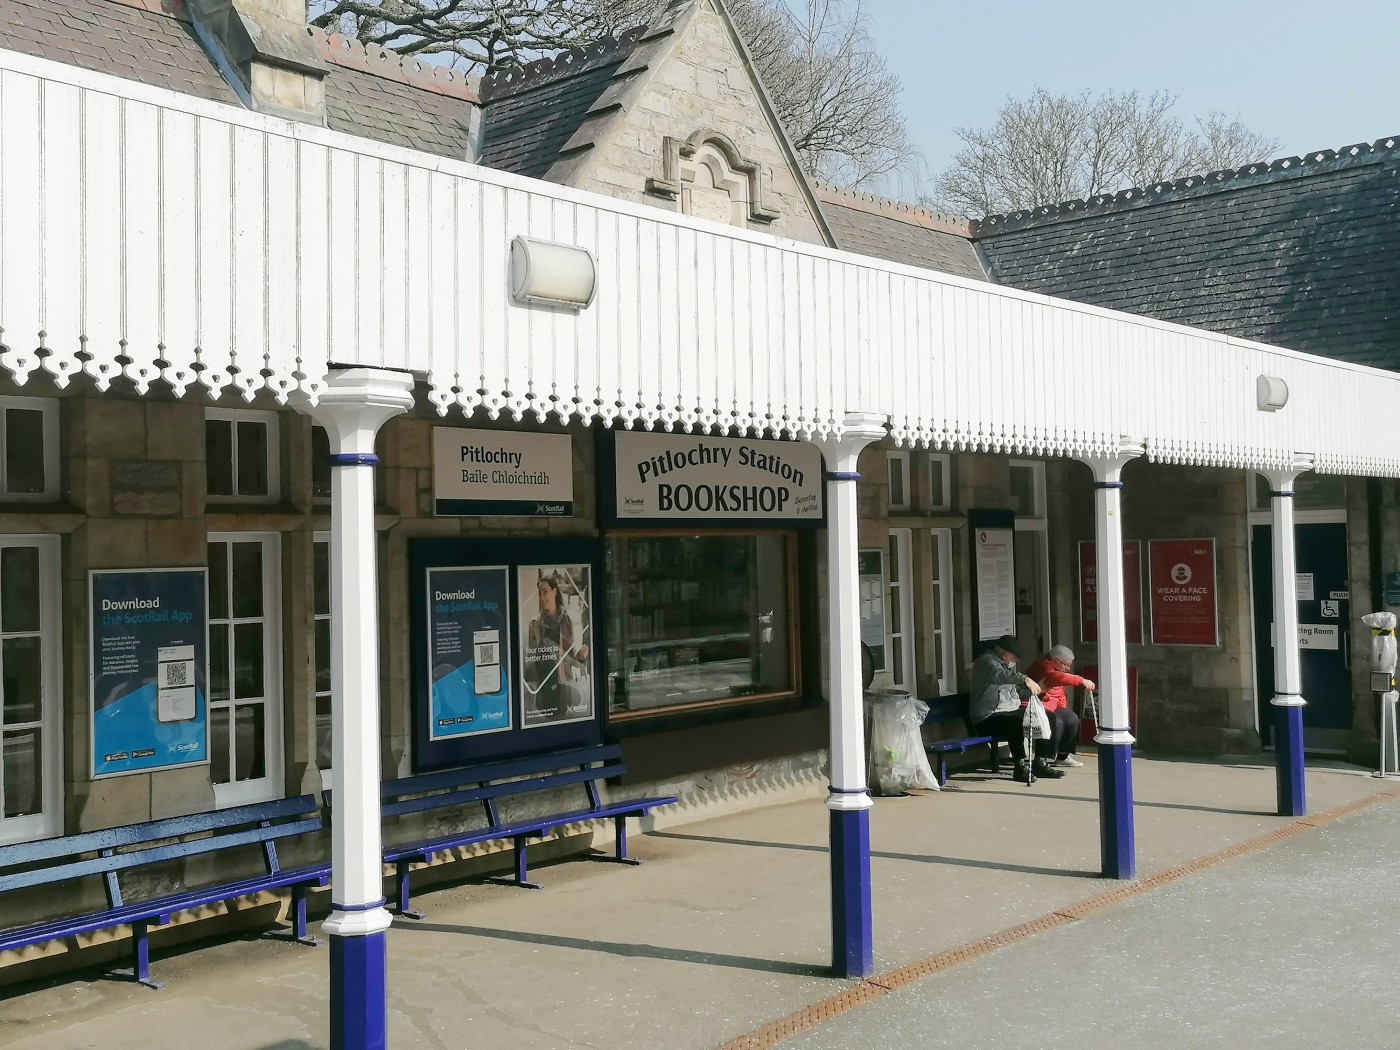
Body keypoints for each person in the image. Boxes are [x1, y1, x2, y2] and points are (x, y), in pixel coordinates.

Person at [967, 634, 1064, 783]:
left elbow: (1017, 693)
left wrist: (1039, 689)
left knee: (1047, 717)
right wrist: (1024, 679)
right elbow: (998, 676)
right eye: (1014, 658)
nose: (1015, 662)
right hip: (987, 717)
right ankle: (1019, 767)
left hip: (1008, 712)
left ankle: (1040, 762)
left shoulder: (1006, 667)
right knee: (1016, 722)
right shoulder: (986, 662)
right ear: (1004, 655)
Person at [525, 575, 589, 720]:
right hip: (544, 682)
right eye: (539, 593)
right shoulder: (535, 623)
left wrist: (581, 657)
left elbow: (571, 656)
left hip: (563, 682)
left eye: (545, 591)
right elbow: (532, 657)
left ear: (554, 592)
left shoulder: (566, 620)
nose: (542, 597)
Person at [1026, 645, 1096, 768]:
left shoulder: (1057, 669)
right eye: (1066, 664)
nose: (1068, 669)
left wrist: (1063, 708)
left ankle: (1063, 756)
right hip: (1035, 706)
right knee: (1055, 721)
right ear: (1056, 661)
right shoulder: (1043, 666)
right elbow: (1054, 678)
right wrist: (1081, 681)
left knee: (1071, 718)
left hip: (1051, 706)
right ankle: (1043, 760)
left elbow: (1060, 693)